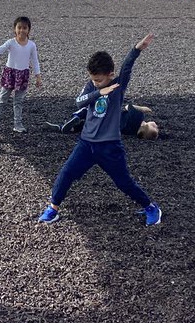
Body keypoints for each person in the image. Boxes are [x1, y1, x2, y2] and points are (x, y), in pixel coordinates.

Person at [38, 33, 161, 226]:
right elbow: (78, 101)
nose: (95, 82)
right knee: (67, 173)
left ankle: (151, 207)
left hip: (110, 147)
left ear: (110, 75)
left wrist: (137, 49)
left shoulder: (118, 85)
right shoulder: (91, 87)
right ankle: (53, 208)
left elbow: (127, 66)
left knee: (124, 183)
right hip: (86, 144)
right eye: (93, 80)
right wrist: (98, 91)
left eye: (99, 80)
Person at [0, 16, 43, 134]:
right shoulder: (11, 42)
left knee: (19, 101)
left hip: (23, 75)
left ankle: (18, 124)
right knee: (2, 99)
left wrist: (38, 76)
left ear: (29, 30)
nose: (22, 30)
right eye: (19, 28)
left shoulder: (31, 45)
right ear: (14, 29)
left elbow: (35, 60)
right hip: (10, 74)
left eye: (25, 28)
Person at [48, 101, 159, 140]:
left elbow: (127, 107)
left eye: (155, 127)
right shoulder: (132, 132)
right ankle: (71, 128)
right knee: (87, 126)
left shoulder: (139, 117)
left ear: (146, 126)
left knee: (89, 110)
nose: (157, 125)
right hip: (106, 128)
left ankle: (77, 116)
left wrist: (142, 108)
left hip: (109, 115)